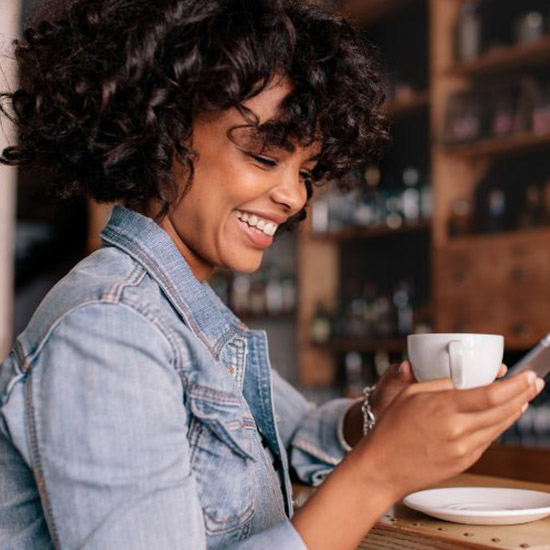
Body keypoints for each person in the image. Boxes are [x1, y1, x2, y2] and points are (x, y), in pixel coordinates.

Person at [0, 1, 544, 549]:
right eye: (264, 156)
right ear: (159, 133)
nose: (293, 196)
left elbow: (297, 433)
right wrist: (379, 474)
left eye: (305, 171)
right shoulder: (109, 330)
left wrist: (376, 415)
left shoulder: (187, 316)